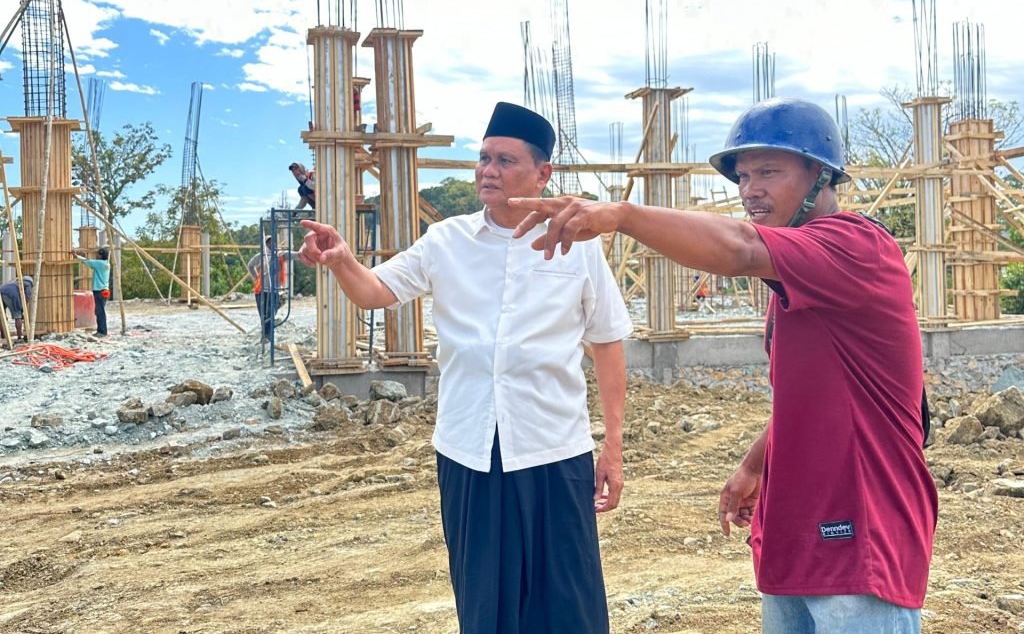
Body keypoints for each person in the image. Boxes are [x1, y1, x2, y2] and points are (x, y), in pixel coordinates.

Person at [509, 98, 937, 634]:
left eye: (769, 172)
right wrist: (757, 463)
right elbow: (817, 394)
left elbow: (737, 248)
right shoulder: (798, 274)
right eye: (742, 176)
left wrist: (621, 214)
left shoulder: (856, 246)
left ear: (820, 175)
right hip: (800, 534)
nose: (749, 189)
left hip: (859, 533)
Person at [298, 102, 632, 632]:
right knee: (485, 602)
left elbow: (609, 343)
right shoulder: (447, 241)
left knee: (569, 602)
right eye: (483, 159)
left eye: (504, 160)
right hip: (470, 449)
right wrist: (342, 259)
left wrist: (612, 444)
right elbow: (375, 292)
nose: (487, 171)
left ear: (543, 173)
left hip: (554, 447)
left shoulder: (579, 246)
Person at [247, 235, 300, 340]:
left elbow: (293, 255)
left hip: (274, 290)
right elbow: (250, 265)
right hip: (261, 290)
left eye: (273, 242)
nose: (271, 244)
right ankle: (265, 336)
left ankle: (268, 336)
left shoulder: (280, 256)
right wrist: (256, 277)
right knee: (263, 315)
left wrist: (302, 254)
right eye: (269, 242)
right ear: (265, 244)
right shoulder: (261, 256)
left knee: (271, 314)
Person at [72, 247, 111, 337]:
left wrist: (76, 256)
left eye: (97, 254)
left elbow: (88, 261)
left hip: (99, 290)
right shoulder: (106, 263)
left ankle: (102, 332)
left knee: (100, 312)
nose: (96, 255)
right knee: (99, 311)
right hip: (104, 290)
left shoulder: (100, 263)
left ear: (101, 256)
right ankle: (101, 330)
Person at [0, 274, 33, 339]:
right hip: (12, 295)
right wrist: (22, 309)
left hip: (1, 291)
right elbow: (27, 296)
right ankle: (19, 338)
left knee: (1, 316)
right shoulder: (28, 283)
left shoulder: (15, 282)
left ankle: (3, 336)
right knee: (18, 316)